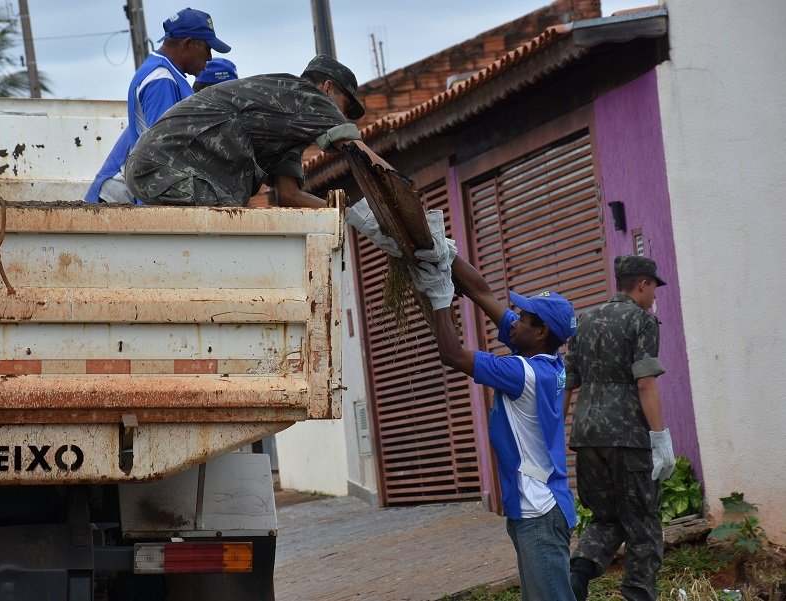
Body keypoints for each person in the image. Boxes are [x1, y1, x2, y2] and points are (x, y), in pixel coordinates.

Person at [349, 206, 579, 600]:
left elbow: (452, 354)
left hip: (539, 511)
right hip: (539, 508)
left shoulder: (525, 373)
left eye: (523, 318)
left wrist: (440, 296)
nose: (514, 320)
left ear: (540, 332)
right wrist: (444, 252)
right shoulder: (546, 359)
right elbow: (480, 291)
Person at [125, 55, 391, 208]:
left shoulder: (286, 129)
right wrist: (396, 186)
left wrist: (345, 214)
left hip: (153, 170)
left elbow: (289, 195)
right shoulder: (306, 96)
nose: (340, 116)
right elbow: (358, 151)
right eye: (343, 107)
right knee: (230, 217)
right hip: (161, 168)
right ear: (328, 87)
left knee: (231, 212)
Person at [563, 255, 675, 601]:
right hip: (628, 438)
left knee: (605, 518)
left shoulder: (585, 319)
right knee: (643, 522)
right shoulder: (641, 321)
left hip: (586, 436)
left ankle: (577, 576)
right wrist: (660, 437)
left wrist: (556, 432)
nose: (655, 295)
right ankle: (639, 594)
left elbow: (568, 382)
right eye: (653, 286)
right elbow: (645, 383)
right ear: (642, 283)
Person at [85, 7, 230, 204]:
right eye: (207, 48)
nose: (210, 57)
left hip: (136, 190)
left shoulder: (166, 73)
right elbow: (165, 148)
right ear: (188, 44)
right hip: (120, 199)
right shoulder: (161, 79)